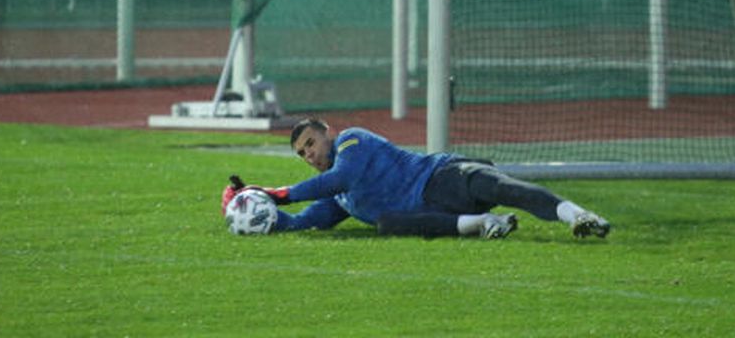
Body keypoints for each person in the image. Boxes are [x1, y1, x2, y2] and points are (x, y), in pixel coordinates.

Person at [221, 116, 611, 240]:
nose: (309, 155)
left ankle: (577, 215)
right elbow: (306, 220)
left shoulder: (354, 141)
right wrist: (258, 214)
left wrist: (276, 192)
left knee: (504, 188)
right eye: (302, 153)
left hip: (442, 176)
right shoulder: (339, 201)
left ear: (328, 134)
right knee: (386, 223)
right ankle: (486, 224)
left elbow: (340, 179)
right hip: (435, 211)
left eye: (310, 144)